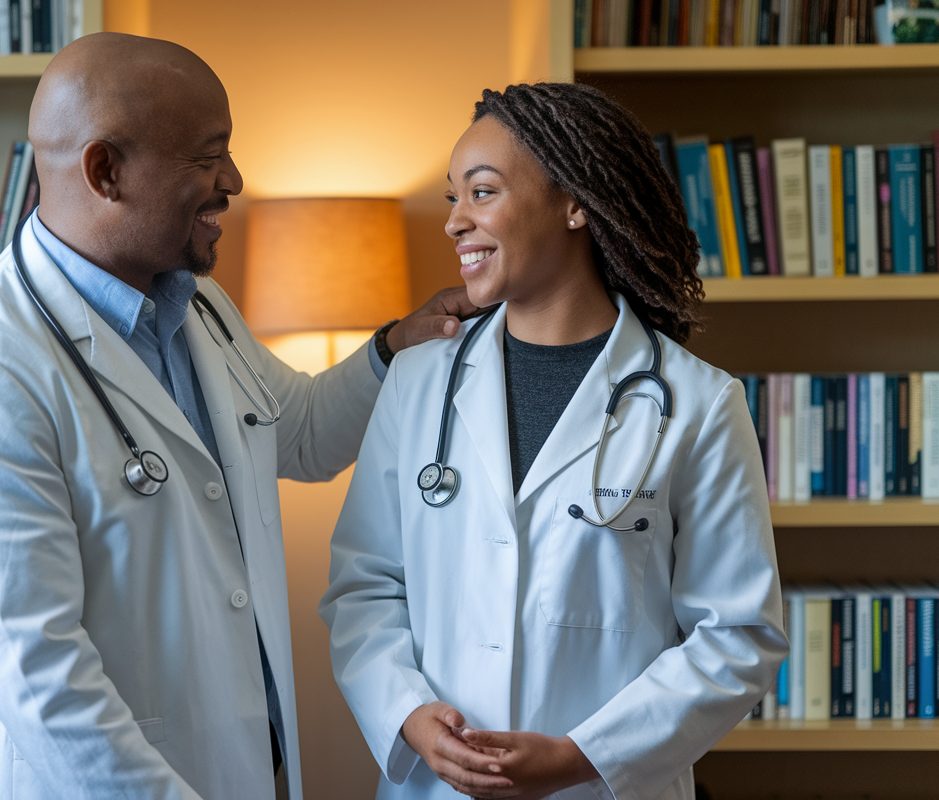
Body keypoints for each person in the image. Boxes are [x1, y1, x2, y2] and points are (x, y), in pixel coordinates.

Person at [0, 33, 474, 800]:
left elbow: (298, 432)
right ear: (105, 171)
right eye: (209, 155)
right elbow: (41, 678)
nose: (233, 179)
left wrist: (397, 344)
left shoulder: (197, 307)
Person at [319, 82, 788, 800]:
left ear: (575, 203)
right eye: (453, 198)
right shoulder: (417, 385)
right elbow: (365, 586)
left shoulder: (697, 404)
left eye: (481, 192)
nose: (454, 223)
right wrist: (409, 717)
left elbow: (737, 636)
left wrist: (582, 757)